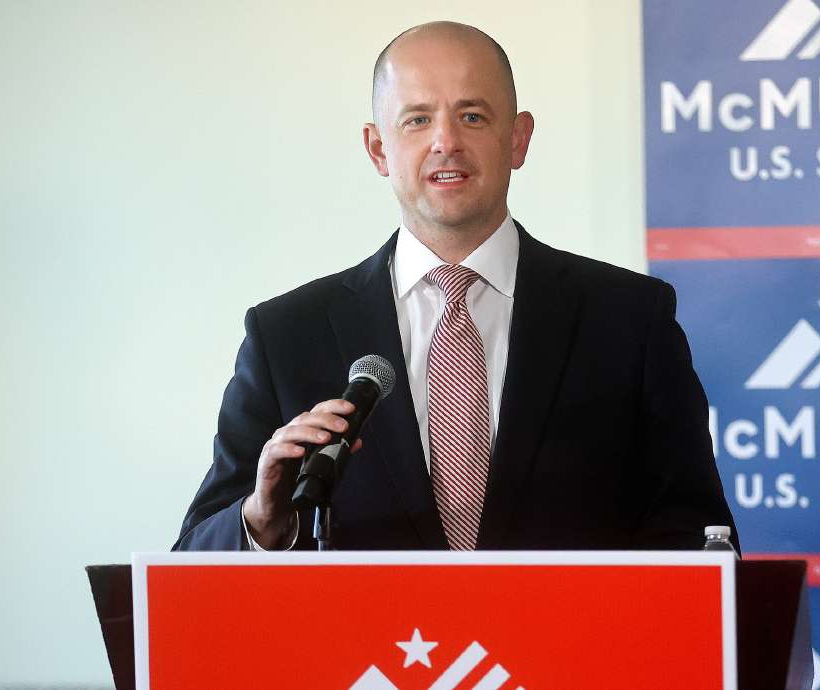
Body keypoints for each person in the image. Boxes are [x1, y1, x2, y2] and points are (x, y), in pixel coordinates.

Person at [174, 21, 735, 552]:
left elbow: (697, 535)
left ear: (518, 139)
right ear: (377, 149)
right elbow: (192, 557)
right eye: (417, 120)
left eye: (471, 116)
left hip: (570, 651)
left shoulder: (630, 320)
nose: (445, 141)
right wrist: (262, 519)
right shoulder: (286, 336)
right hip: (367, 656)